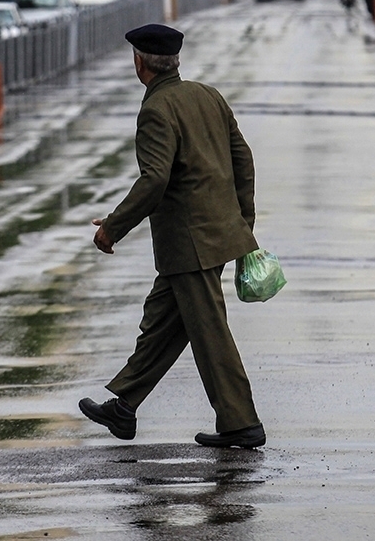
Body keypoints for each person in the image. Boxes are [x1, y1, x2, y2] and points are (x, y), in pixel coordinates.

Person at [80, 23, 266, 449]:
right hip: (214, 236)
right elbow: (244, 159)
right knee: (163, 322)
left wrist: (112, 227)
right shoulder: (208, 95)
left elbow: (154, 181)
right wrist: (242, 223)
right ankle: (124, 407)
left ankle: (241, 423)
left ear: (139, 62)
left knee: (209, 332)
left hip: (190, 243)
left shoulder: (156, 110)